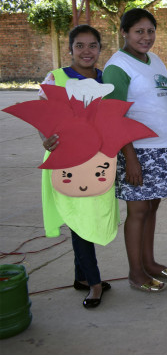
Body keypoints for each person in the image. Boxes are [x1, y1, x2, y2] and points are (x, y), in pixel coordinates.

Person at [104, 8, 167, 292]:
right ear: (124, 33)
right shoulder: (118, 66)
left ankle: (150, 263)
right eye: (139, 31)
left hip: (162, 149)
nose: (146, 37)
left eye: (150, 31)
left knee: (152, 206)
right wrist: (130, 158)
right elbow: (114, 117)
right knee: (137, 211)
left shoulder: (155, 60)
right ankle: (136, 272)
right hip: (138, 151)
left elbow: (162, 104)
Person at [37, 25, 117, 308]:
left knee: (87, 217)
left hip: (97, 161)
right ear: (69, 49)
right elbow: (43, 115)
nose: (86, 51)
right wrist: (46, 139)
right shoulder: (55, 78)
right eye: (80, 46)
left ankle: (81, 277)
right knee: (78, 221)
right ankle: (94, 284)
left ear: (99, 49)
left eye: (92, 45)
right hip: (67, 161)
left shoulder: (106, 79)